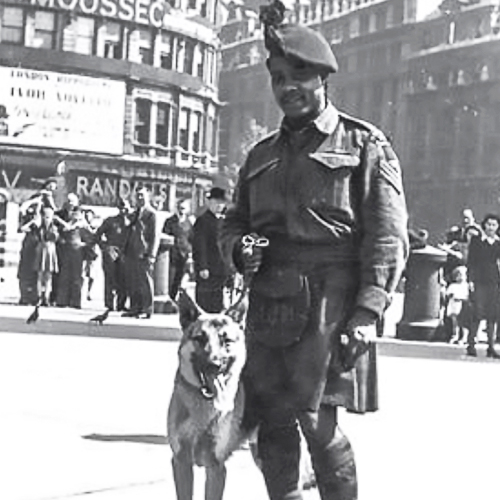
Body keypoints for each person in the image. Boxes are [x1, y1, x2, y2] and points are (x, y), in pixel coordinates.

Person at [221, 3, 409, 499]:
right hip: (269, 302)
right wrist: (243, 248)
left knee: (317, 424)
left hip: (332, 301)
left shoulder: (364, 144)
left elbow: (388, 237)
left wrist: (368, 312)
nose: (288, 88)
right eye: (279, 78)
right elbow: (235, 224)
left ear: (324, 79)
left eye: (299, 77)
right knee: (271, 425)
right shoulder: (260, 155)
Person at [192, 187, 232, 313]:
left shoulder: (224, 221)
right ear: (209, 202)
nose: (219, 206)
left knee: (218, 300)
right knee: (205, 300)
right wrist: (203, 266)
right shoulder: (203, 220)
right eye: (216, 202)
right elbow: (200, 246)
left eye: (221, 203)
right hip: (208, 268)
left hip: (222, 267)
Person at [122, 187, 160, 319]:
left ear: (147, 197)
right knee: (133, 282)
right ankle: (135, 307)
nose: (139, 198)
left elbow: (155, 236)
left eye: (142, 196)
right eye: (137, 196)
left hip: (144, 253)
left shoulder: (151, 214)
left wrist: (152, 255)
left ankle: (147, 309)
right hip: (131, 252)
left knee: (145, 282)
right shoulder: (134, 214)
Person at [466, 214, 500, 358]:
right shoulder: (476, 241)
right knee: (478, 312)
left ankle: (490, 347)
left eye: (494, 225)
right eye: (489, 224)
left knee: (492, 314)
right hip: (478, 280)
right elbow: (471, 261)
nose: (491, 227)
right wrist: (470, 280)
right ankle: (471, 344)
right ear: (484, 225)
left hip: (493, 281)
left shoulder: (498, 243)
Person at [94, 198, 132, 311]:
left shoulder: (131, 222)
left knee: (124, 279)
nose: (123, 210)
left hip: (125, 252)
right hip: (111, 250)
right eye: (121, 207)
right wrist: (104, 247)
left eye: (126, 207)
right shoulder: (110, 221)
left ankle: (121, 304)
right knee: (110, 278)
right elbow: (97, 235)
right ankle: (109, 304)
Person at [162, 198, 193, 301]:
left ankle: (178, 301)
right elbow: (165, 237)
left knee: (181, 280)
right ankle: (170, 300)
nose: (181, 210)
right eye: (179, 208)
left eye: (183, 208)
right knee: (171, 280)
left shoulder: (189, 223)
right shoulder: (170, 221)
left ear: (187, 209)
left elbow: (192, 239)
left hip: (184, 256)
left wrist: (190, 253)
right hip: (172, 255)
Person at [445, 265, 470, 344]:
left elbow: (468, 295)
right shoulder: (453, 286)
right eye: (458, 275)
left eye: (463, 275)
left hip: (463, 305)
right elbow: (448, 294)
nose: (461, 277)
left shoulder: (466, 286)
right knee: (455, 322)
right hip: (454, 305)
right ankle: (455, 335)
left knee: (464, 322)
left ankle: (464, 337)